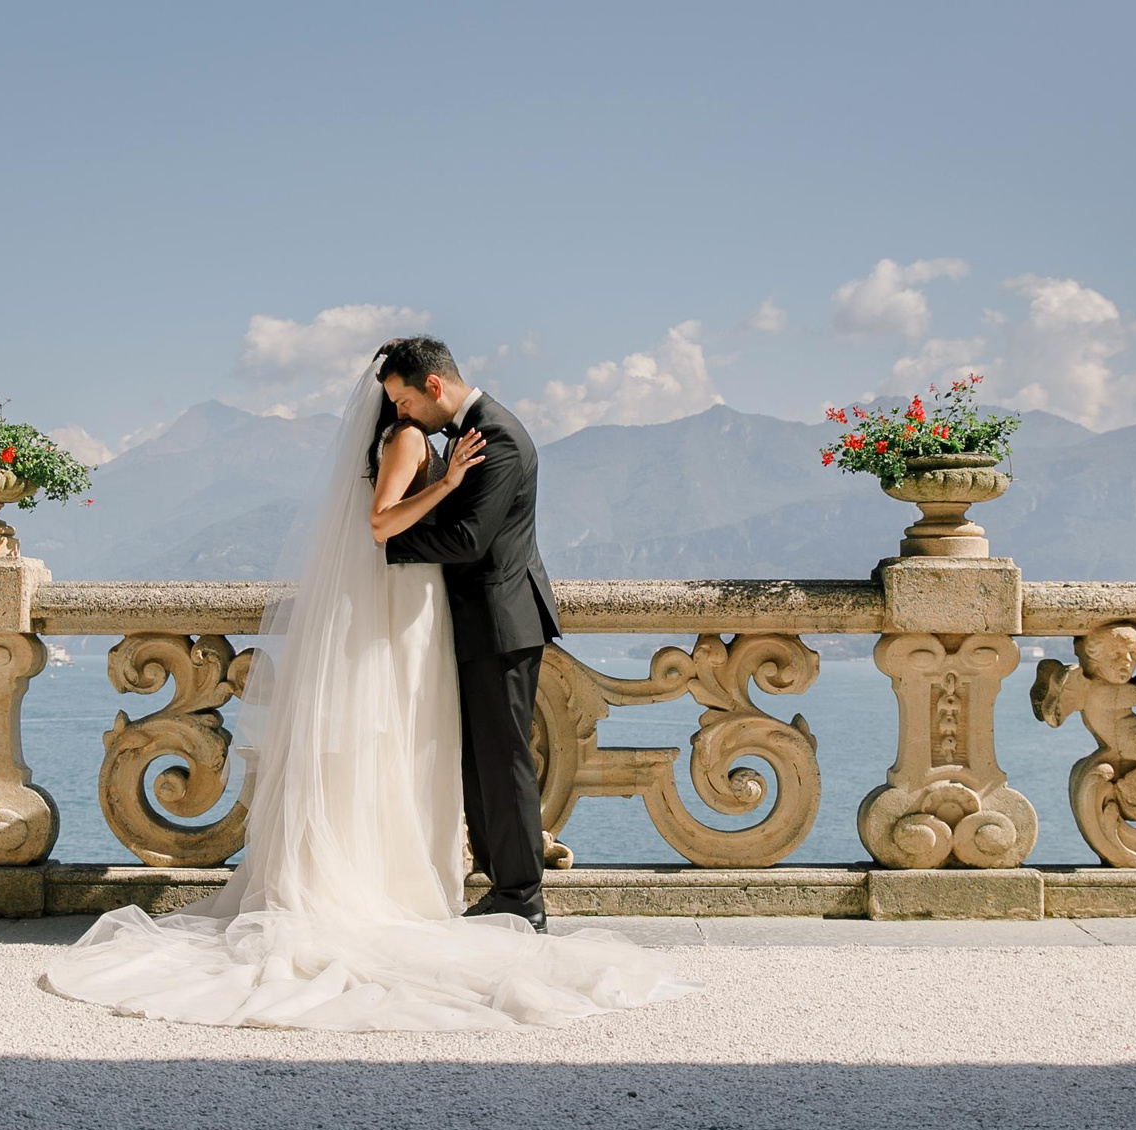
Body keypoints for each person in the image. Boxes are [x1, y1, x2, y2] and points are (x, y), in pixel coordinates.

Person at [42, 337, 691, 1030]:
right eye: (393, 403)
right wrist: (400, 540)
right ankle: (495, 893)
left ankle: (521, 899)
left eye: (406, 397)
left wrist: (394, 551)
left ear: (434, 387)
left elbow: (467, 539)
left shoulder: (493, 435)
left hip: (497, 622)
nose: (400, 408)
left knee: (498, 758)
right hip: (451, 619)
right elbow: (401, 522)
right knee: (457, 754)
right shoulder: (431, 437)